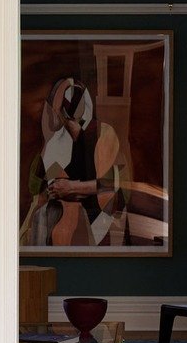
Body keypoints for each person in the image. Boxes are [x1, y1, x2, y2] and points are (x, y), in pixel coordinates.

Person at [20, 75, 127, 248]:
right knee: (43, 217)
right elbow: (39, 188)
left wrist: (73, 188)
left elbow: (111, 184)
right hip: (63, 212)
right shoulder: (55, 143)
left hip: (101, 214)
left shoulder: (103, 134)